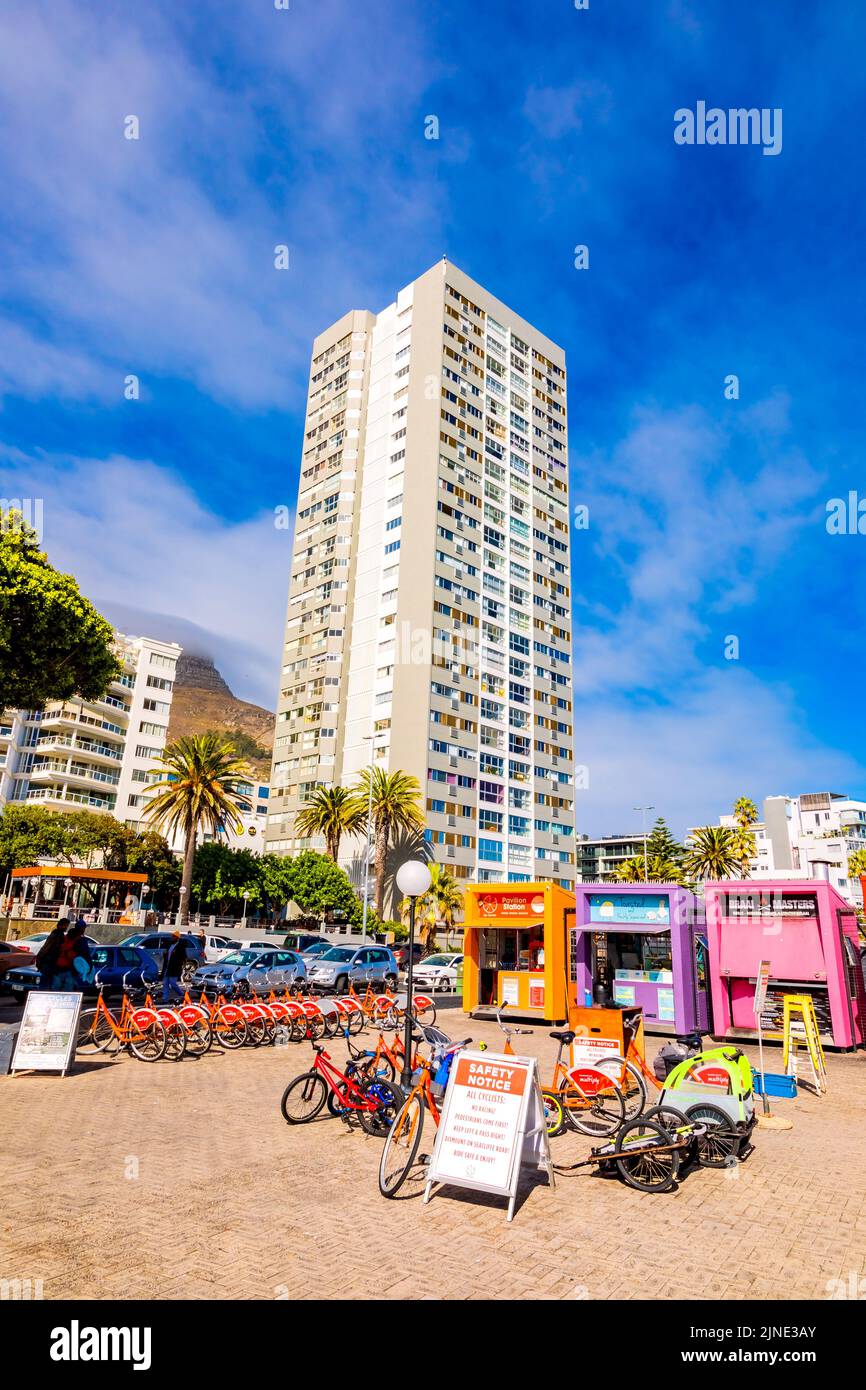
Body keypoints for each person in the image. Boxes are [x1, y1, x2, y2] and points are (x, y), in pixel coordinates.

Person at [54, 923, 93, 991]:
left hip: (58, 966)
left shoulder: (65, 937)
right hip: (71, 968)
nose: (84, 929)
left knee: (56, 990)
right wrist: (90, 966)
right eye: (84, 928)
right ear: (82, 928)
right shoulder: (80, 940)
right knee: (68, 991)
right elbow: (85, 954)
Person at [34, 920, 68, 991]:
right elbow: (47, 948)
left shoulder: (57, 934)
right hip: (50, 963)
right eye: (66, 925)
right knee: (47, 984)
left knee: (46, 983)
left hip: (50, 963)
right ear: (61, 925)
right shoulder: (57, 935)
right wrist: (39, 960)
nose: (66, 927)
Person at [162, 931, 188, 1003]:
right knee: (165, 983)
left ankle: (182, 994)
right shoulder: (170, 945)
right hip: (167, 966)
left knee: (173, 983)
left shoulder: (180, 946)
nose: (172, 938)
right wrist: (165, 954)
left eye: (173, 937)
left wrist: (180, 963)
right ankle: (165, 999)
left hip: (174, 968)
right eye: (172, 936)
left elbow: (184, 957)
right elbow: (167, 955)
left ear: (177, 938)